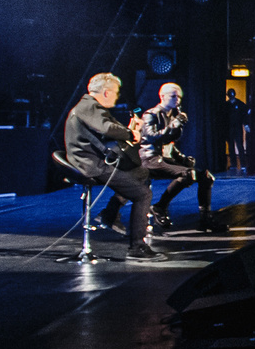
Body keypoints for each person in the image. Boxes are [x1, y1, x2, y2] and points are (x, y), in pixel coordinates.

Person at [62, 72, 157, 259]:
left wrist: (129, 131)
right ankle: (137, 248)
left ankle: (110, 214)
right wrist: (130, 134)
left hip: (93, 161)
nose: (117, 96)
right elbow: (106, 128)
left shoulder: (88, 107)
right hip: (91, 165)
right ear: (106, 92)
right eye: (115, 92)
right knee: (143, 194)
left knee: (141, 173)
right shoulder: (88, 105)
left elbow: (106, 132)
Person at [136, 82, 217, 232]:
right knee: (187, 174)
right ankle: (160, 206)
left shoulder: (172, 116)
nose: (177, 100)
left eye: (179, 97)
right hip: (150, 158)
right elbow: (152, 137)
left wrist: (182, 159)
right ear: (162, 96)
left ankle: (206, 218)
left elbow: (170, 144)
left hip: (165, 158)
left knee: (206, 176)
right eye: (173, 96)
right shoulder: (151, 114)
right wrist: (174, 124)